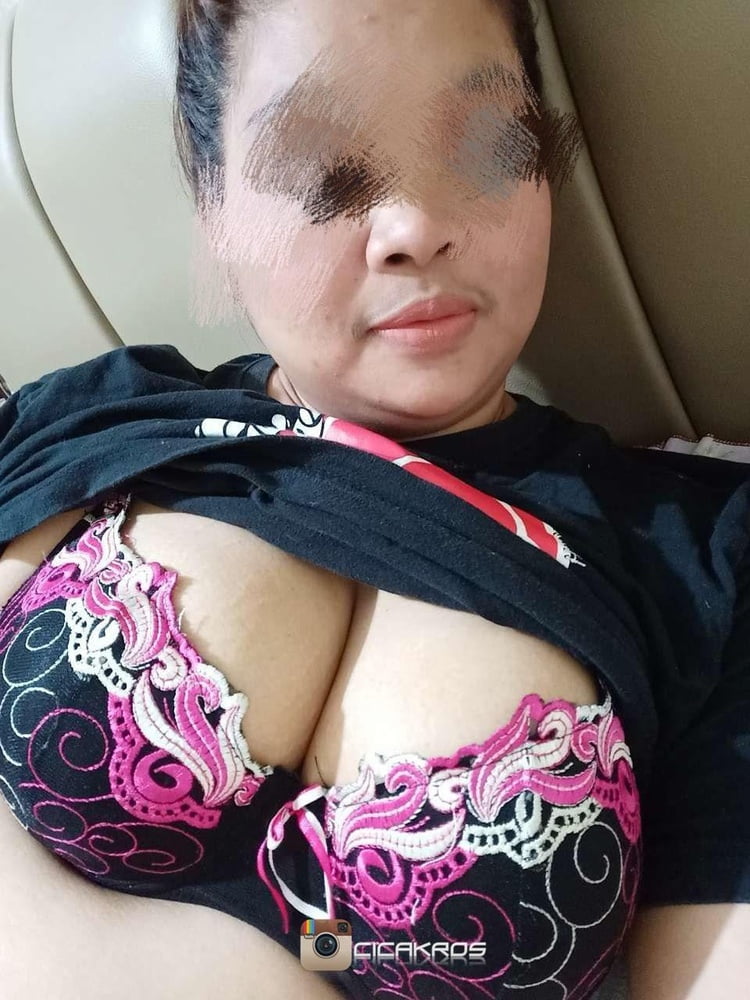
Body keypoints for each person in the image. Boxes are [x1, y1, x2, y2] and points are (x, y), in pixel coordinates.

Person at [0, 2, 748, 998]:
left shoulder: (709, 551)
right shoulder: (94, 417)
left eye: (487, 151)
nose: (415, 229)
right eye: (318, 170)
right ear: (215, 212)